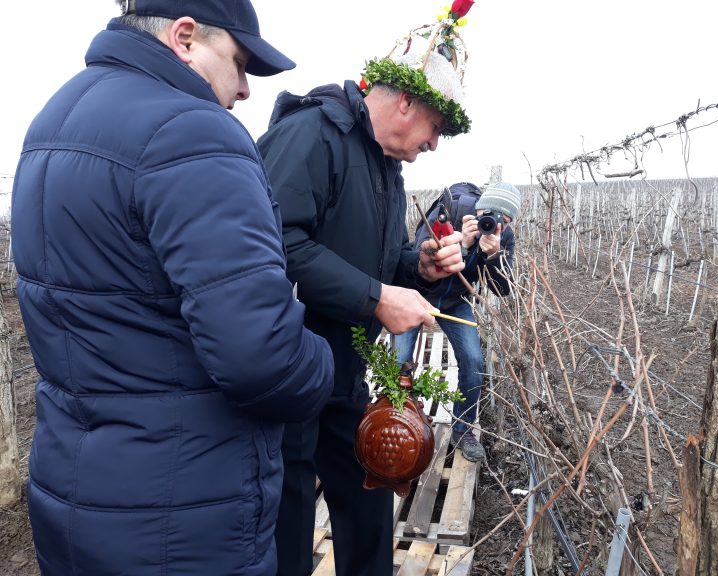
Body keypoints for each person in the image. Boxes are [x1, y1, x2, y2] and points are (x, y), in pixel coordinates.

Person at [11, 1, 334, 575]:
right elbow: (261, 357)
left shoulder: (52, 123)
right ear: (185, 38)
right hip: (181, 514)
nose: (244, 91)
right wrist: (321, 362)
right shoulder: (191, 130)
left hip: (73, 492)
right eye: (238, 64)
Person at [256, 4, 476, 575]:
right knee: (289, 511)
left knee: (369, 497)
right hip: (287, 366)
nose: (434, 145)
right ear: (405, 101)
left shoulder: (384, 166)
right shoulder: (312, 135)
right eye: (435, 127)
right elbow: (272, 246)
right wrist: (377, 297)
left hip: (344, 367)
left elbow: (374, 261)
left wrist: (419, 267)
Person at [394, 181, 520, 462]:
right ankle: (396, 420)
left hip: (456, 301)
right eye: (488, 214)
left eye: (504, 220)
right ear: (478, 207)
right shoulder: (450, 211)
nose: (493, 223)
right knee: (399, 359)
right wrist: (461, 243)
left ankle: (462, 431)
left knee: (474, 362)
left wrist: (493, 255)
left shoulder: (504, 237)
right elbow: (417, 259)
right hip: (418, 294)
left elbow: (503, 289)